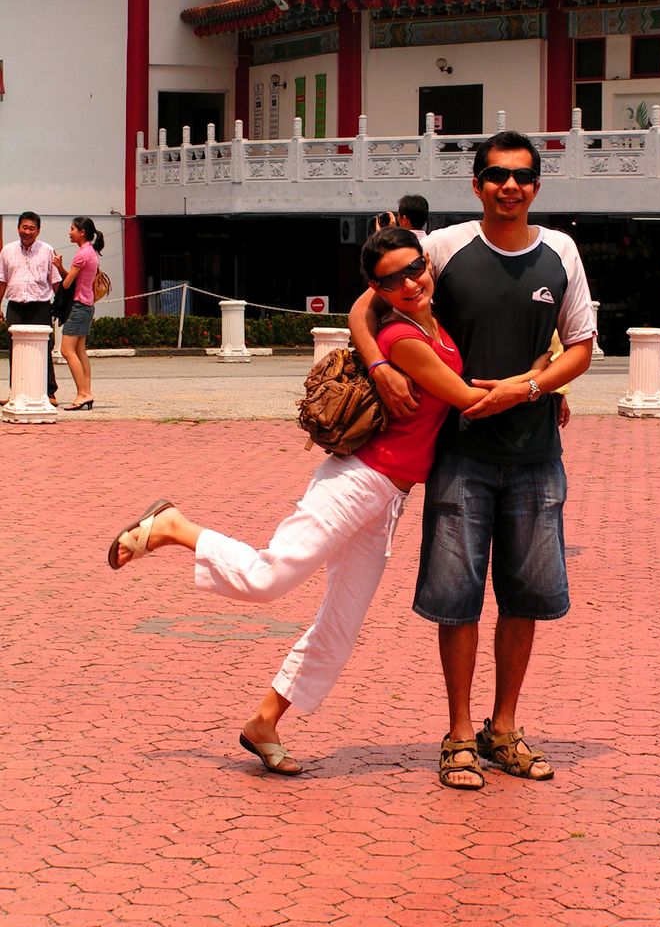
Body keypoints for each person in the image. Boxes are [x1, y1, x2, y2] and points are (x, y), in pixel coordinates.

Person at [107, 227, 550, 780]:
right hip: (355, 481)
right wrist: (542, 382)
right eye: (392, 279)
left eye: (415, 269)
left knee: (341, 625)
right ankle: (175, 526)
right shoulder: (402, 339)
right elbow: (467, 399)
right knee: (270, 578)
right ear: (376, 288)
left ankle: (265, 723)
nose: (410, 282)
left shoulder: (434, 322)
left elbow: (414, 333)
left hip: (387, 497)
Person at [349, 131, 596, 789]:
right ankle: (459, 734)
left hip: (536, 454)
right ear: (477, 184)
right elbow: (363, 306)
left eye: (520, 176)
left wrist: (532, 387)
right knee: (457, 600)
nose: (508, 186)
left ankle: (503, 729)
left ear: (537, 186)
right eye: (495, 175)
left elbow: (579, 346)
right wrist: (378, 366)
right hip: (460, 456)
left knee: (526, 598)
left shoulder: (561, 252)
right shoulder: (443, 248)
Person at [0, 212, 62, 405]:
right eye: (24, 227)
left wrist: (61, 306)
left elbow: (56, 282)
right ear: (18, 227)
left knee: (44, 349)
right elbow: (2, 281)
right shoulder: (7, 251)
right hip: (15, 307)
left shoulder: (47, 250)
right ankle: (16, 393)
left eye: (31, 228)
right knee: (15, 350)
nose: (27, 231)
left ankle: (49, 392)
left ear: (38, 230)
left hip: (40, 306)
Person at [53, 217, 103, 411]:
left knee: (67, 350)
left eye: (72, 229)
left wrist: (59, 271)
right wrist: (60, 268)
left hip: (79, 305)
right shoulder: (91, 251)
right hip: (87, 305)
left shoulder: (81, 254)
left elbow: (66, 284)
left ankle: (83, 393)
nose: (69, 232)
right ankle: (86, 392)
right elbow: (75, 280)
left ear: (82, 232)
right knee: (80, 351)